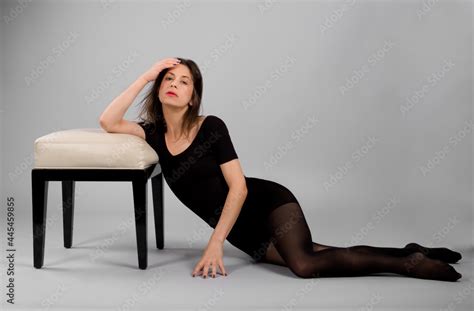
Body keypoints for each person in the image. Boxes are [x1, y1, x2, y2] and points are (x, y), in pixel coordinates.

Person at [99, 57, 463, 281]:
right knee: (321, 253)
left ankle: (411, 267)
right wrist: (145, 75)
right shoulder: (153, 135)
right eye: (168, 79)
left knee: (303, 265)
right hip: (241, 231)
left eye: (184, 81)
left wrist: (214, 246)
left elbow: (238, 189)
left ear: (194, 96)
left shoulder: (211, 126)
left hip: (267, 205)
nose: (174, 85)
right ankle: (410, 251)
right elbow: (108, 120)